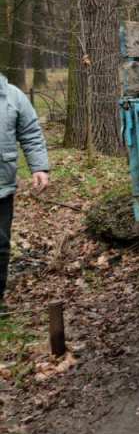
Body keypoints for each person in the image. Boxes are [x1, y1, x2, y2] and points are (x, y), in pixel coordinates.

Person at [0, 74, 50, 303]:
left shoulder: (12, 96)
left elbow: (30, 133)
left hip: (2, 187)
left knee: (0, 245)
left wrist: (39, 167)